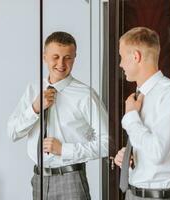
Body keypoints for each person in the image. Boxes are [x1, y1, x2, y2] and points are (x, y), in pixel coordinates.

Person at [7, 31, 108, 200]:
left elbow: (107, 143)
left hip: (71, 179)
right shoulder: (33, 89)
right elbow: (12, 133)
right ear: (44, 57)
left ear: (75, 58)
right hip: (38, 180)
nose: (61, 63)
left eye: (68, 57)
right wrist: (34, 109)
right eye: (55, 57)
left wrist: (64, 150)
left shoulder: (85, 95)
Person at [114, 27, 170, 200]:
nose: (120, 64)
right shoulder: (139, 95)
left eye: (122, 57)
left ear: (136, 57)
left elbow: (157, 152)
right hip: (133, 193)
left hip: (158, 197)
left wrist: (131, 118)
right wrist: (130, 155)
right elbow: (150, 148)